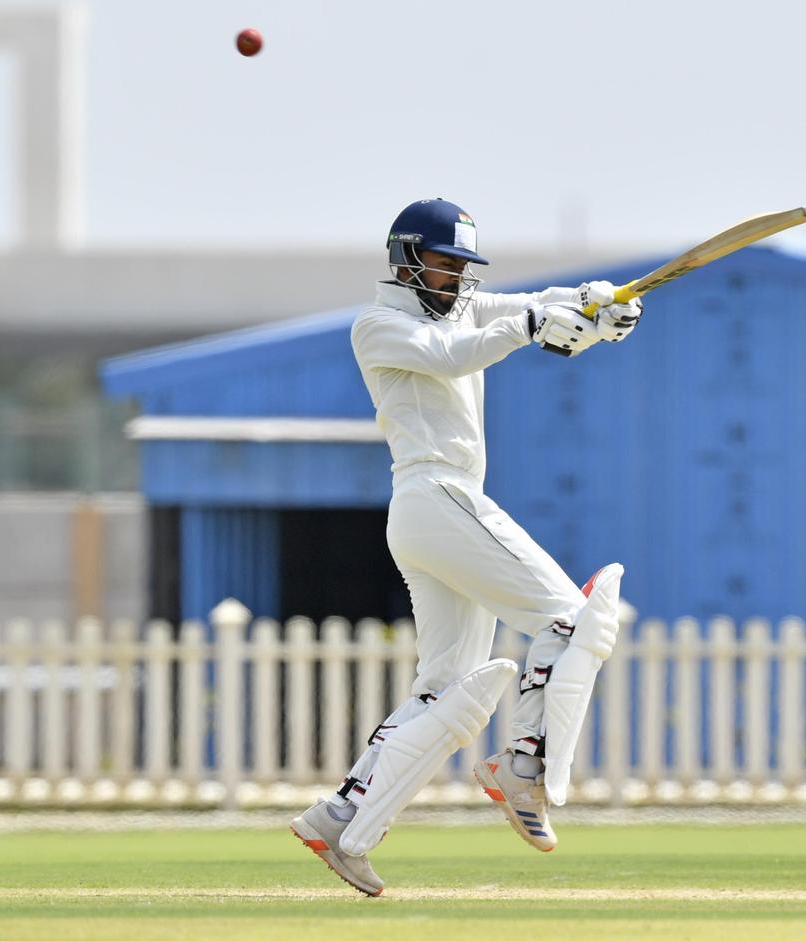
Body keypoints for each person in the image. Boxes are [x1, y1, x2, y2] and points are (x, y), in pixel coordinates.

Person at [290, 197, 642, 896]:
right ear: (407, 258)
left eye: (462, 264)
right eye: (444, 261)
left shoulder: (464, 307)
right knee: (572, 621)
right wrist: (533, 324)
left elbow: (543, 303)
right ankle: (523, 765)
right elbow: (451, 355)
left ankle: (341, 816)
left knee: (449, 691)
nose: (456, 275)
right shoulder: (379, 324)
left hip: (434, 512)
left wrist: (599, 309)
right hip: (436, 495)